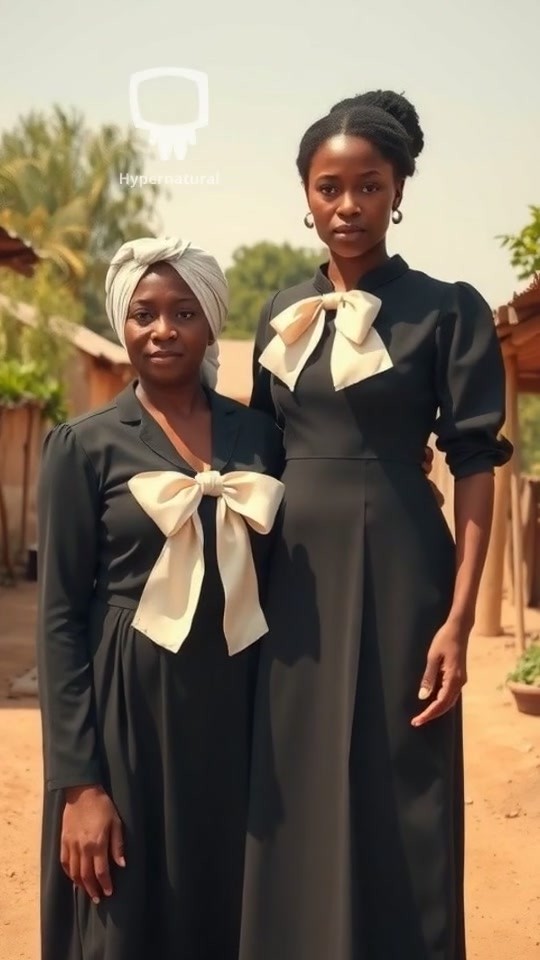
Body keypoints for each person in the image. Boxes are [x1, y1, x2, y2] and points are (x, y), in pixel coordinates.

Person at [240, 91, 513, 960]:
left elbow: (475, 465)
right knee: (291, 775)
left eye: (368, 186)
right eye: (329, 187)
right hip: (292, 582)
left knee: (405, 782)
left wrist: (460, 618)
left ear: (399, 192)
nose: (346, 206)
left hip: (406, 572)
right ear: (306, 195)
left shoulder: (448, 308)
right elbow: (258, 456)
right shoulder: (279, 316)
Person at [36, 237, 285, 960]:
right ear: (123, 323)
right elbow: (56, 618)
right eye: (144, 313)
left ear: (211, 323)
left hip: (235, 720)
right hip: (124, 723)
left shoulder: (264, 440)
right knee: (122, 920)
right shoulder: (82, 446)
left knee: (225, 912)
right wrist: (79, 784)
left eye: (183, 312)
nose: (163, 329)